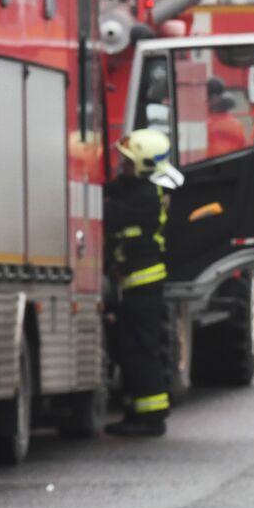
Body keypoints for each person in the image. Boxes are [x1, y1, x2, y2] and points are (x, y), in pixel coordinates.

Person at [104, 128, 183, 437]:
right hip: (134, 284)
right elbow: (121, 187)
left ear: (145, 165)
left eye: (128, 162)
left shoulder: (147, 196)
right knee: (130, 347)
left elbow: (113, 214)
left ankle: (151, 417)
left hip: (142, 284)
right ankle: (136, 409)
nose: (122, 166)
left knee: (141, 350)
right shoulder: (143, 187)